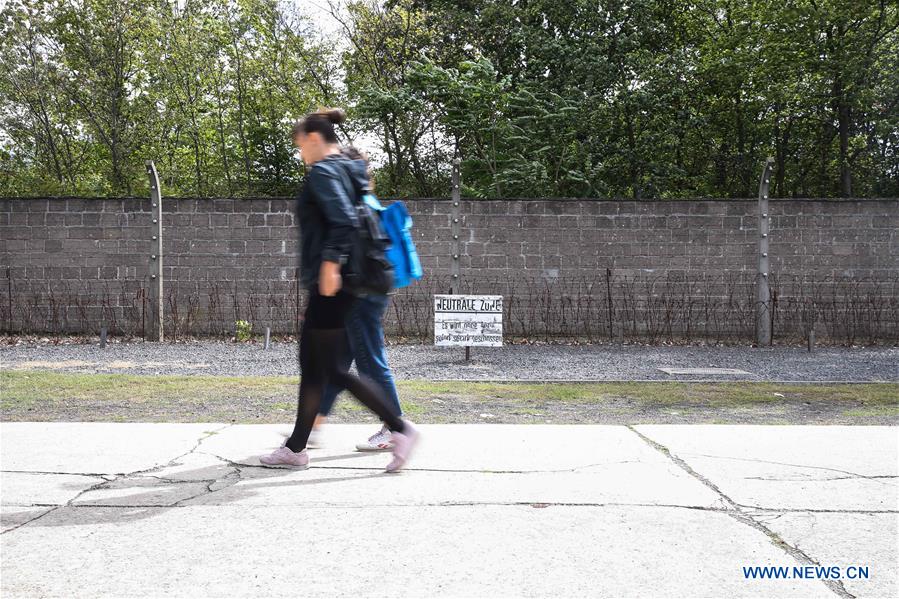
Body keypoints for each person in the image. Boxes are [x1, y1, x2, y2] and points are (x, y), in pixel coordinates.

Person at [259, 108, 418, 472]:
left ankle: (398, 427)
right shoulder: (350, 169)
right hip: (345, 282)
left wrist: (330, 266)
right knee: (320, 367)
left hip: (332, 281)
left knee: (327, 367)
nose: (300, 153)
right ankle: (298, 445)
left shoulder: (325, 171)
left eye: (301, 145)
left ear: (314, 139)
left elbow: (343, 222)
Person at [312, 146, 403, 452]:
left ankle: (397, 427)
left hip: (360, 295)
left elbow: (348, 255)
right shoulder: (367, 200)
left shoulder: (352, 204)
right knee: (338, 362)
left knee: (371, 364)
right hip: (370, 291)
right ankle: (313, 424)